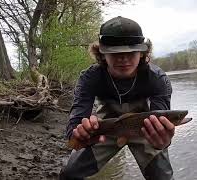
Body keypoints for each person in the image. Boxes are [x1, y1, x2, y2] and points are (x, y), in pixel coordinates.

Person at [59, 16, 175, 180]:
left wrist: (163, 141)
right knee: (69, 174)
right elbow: (77, 118)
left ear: (142, 52)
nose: (123, 58)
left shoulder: (157, 78)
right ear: (102, 54)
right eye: (115, 52)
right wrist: (78, 133)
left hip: (144, 129)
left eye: (131, 51)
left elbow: (162, 120)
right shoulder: (89, 78)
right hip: (106, 129)